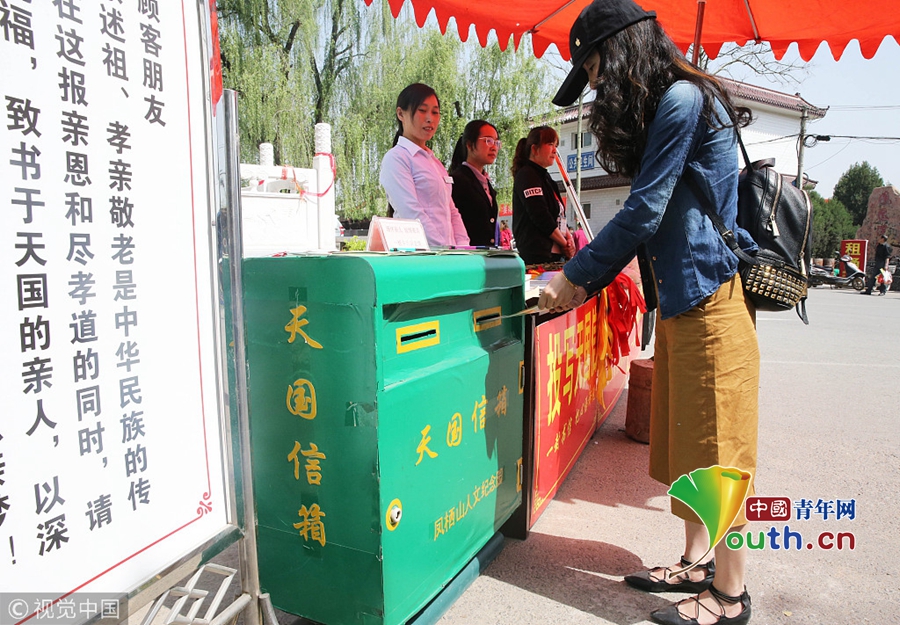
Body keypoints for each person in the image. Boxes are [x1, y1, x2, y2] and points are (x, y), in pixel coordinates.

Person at [540, 1, 759, 624]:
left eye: (596, 68)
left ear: (624, 50)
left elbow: (645, 210)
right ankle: (694, 561)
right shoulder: (669, 105)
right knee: (687, 443)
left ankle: (731, 593)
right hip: (684, 304)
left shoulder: (685, 100)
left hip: (713, 301)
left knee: (719, 451)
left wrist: (575, 278)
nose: (597, 85)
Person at [379, 83, 469, 248]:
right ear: (401, 114)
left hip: (448, 255)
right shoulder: (397, 158)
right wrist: (443, 249)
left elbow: (451, 211)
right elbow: (411, 213)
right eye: (422, 110)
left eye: (435, 112)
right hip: (421, 255)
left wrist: (463, 247)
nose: (430, 118)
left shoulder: (435, 162)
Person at [511, 126, 576, 264]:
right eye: (550, 144)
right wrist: (564, 243)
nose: (554, 150)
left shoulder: (546, 178)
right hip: (537, 257)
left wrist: (569, 239)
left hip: (555, 256)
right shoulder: (527, 174)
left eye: (556, 146)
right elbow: (540, 216)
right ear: (535, 149)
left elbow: (558, 215)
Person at [449, 120, 501, 246]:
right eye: (488, 141)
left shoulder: (486, 182)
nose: (494, 147)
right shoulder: (457, 180)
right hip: (466, 252)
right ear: (470, 145)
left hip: (487, 253)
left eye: (496, 142)